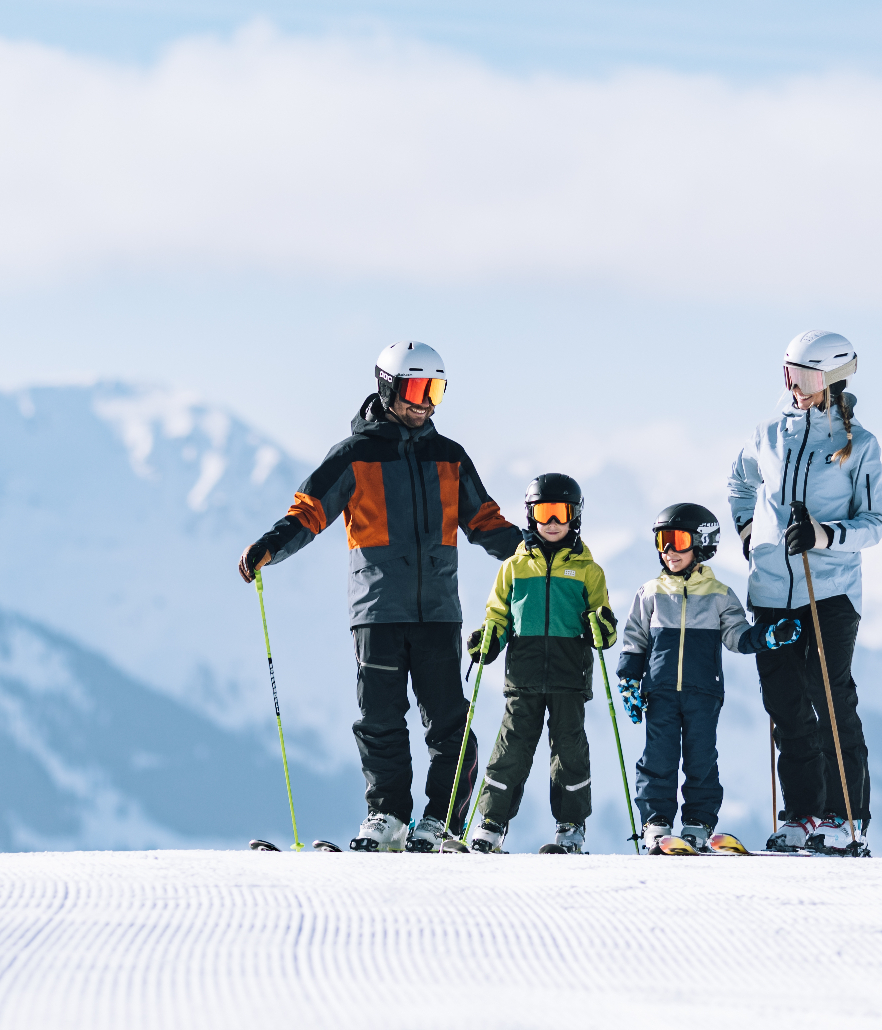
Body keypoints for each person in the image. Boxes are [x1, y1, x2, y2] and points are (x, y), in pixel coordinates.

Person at [238, 341, 522, 852]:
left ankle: (441, 820)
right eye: (417, 389)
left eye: (436, 390)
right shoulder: (355, 455)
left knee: (449, 722)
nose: (426, 402)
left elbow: (485, 522)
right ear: (388, 388)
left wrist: (535, 554)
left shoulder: (449, 457)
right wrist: (270, 547)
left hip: (438, 613)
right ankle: (388, 814)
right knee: (380, 719)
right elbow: (309, 512)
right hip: (377, 611)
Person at [727, 330, 882, 856]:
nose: (794, 386)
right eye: (789, 374)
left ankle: (847, 817)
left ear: (833, 379)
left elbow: (877, 522)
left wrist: (824, 535)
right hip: (771, 590)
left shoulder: (859, 446)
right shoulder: (767, 435)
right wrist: (749, 535)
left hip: (831, 592)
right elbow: (739, 483)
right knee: (787, 706)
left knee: (830, 698)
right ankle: (803, 815)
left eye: (805, 376)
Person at [616, 503, 801, 854]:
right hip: (660, 691)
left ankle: (698, 824)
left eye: (678, 540)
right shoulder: (650, 592)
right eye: (662, 541)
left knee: (701, 759)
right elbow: (635, 640)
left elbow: (737, 636)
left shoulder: (719, 595)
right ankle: (656, 823)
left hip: (703, 693)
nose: (668, 550)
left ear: (701, 543)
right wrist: (628, 680)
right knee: (657, 758)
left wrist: (769, 636)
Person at [461, 474, 617, 854]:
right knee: (511, 749)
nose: (552, 522)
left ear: (574, 515)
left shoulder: (588, 570)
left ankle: (571, 825)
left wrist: (601, 627)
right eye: (544, 512)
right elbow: (499, 617)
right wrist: (488, 641)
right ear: (531, 516)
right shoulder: (514, 568)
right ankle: (491, 823)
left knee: (569, 751)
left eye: (560, 512)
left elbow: (604, 624)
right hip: (524, 676)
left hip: (569, 677)